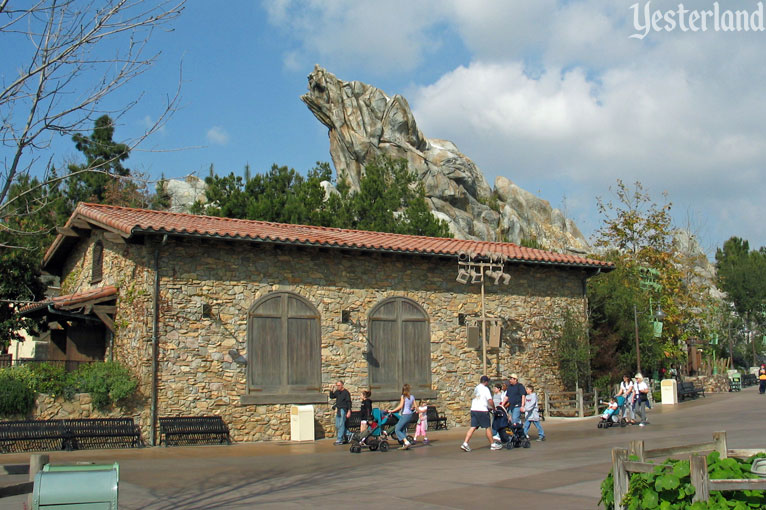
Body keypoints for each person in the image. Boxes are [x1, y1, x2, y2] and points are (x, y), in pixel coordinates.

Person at [461, 375, 496, 452]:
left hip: (474, 409)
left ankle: (465, 443)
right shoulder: (486, 389)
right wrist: (493, 408)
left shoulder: (477, 388)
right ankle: (493, 444)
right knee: (487, 427)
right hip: (482, 410)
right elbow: (490, 400)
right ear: (486, 382)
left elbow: (479, 399)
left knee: (473, 427)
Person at [387, 384, 415, 450]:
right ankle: (404, 444)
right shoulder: (412, 397)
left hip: (405, 415)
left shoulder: (403, 397)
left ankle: (406, 442)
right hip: (410, 415)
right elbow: (414, 406)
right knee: (403, 429)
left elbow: (400, 406)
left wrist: (392, 411)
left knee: (397, 429)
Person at [328, 380, 351, 445]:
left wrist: (349, 411)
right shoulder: (337, 392)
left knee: (341, 424)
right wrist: (331, 390)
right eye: (337, 385)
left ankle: (339, 439)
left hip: (343, 410)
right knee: (337, 425)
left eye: (339, 385)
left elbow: (348, 402)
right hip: (338, 409)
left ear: (342, 385)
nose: (337, 387)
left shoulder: (346, 393)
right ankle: (349, 434)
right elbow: (332, 396)